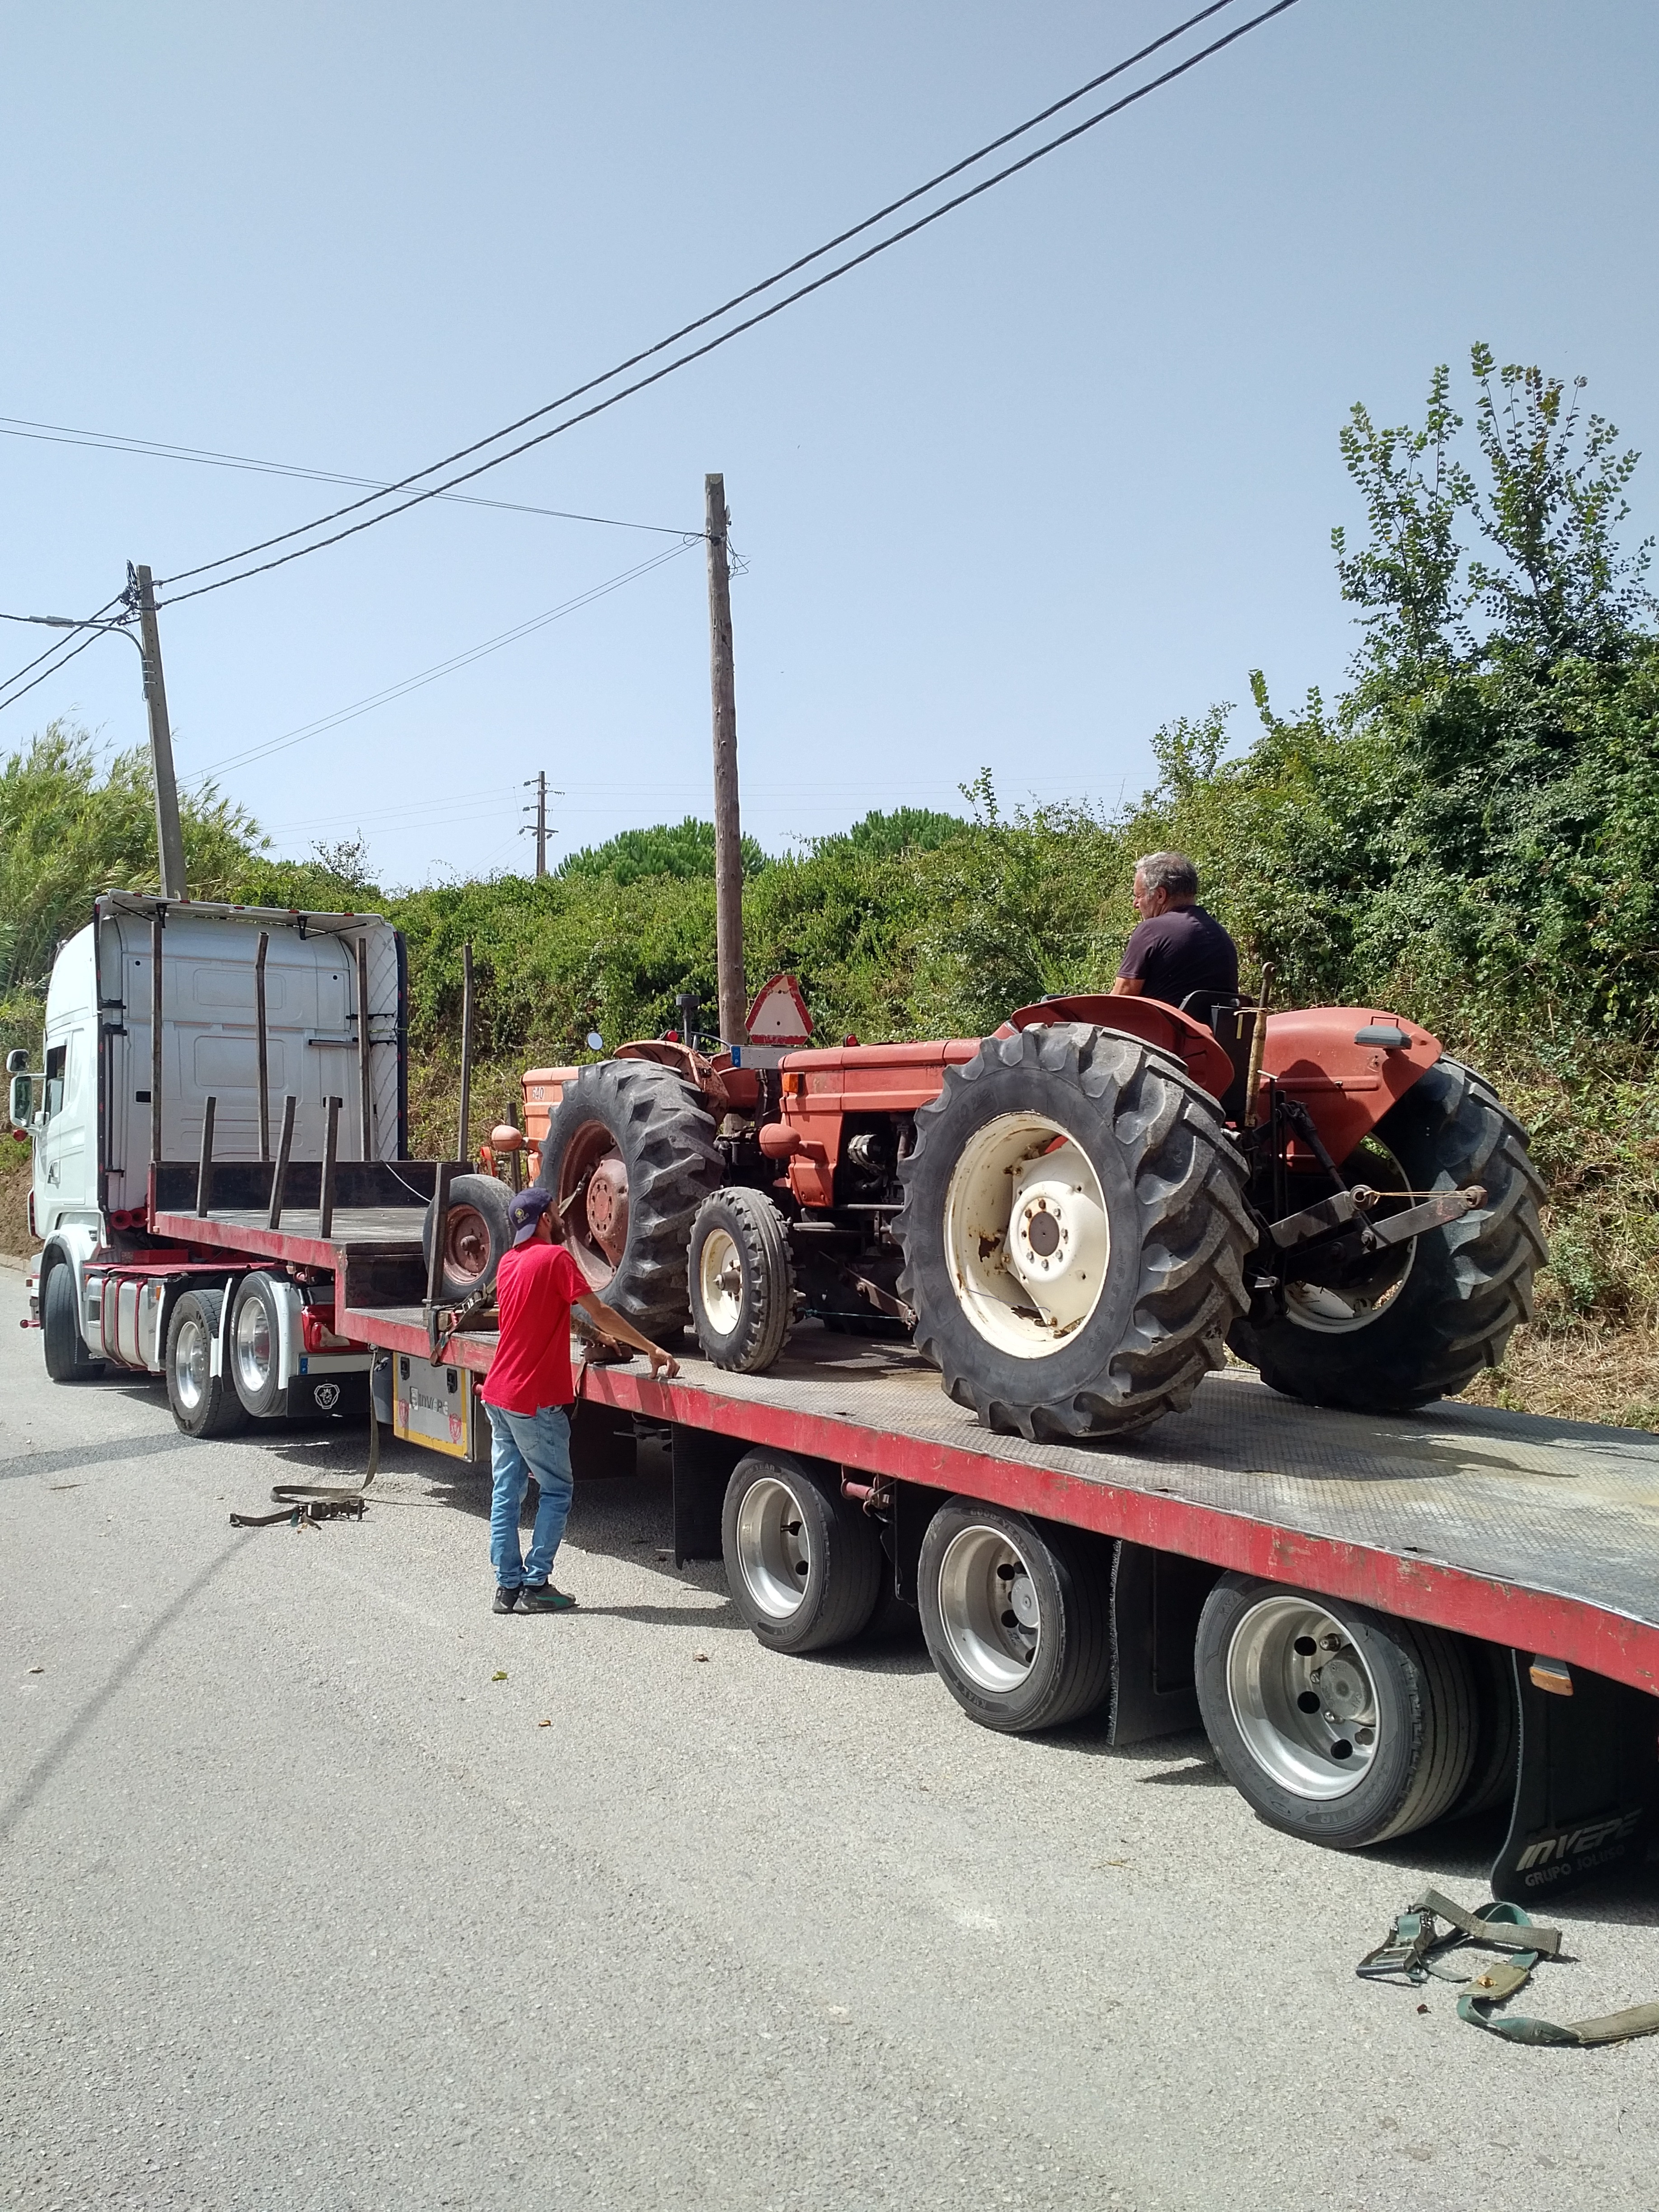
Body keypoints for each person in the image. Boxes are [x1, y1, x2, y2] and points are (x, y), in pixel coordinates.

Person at [480, 1185, 680, 1616]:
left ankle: (507, 1587)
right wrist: (651, 1347)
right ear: (546, 1219)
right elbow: (599, 1308)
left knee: (507, 1492)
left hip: (498, 1393)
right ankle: (536, 1584)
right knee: (556, 1490)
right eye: (556, 1211)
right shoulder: (556, 1259)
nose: (560, 1218)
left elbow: (550, 1312)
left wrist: (596, 1336)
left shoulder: (509, 1262)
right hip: (533, 1400)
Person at [1110, 851, 1238, 1011]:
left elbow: (1119, 1000)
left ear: (1160, 895)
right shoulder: (1220, 934)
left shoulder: (1151, 931)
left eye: (1139, 896)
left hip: (1164, 1027)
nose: (1135, 904)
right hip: (1216, 1028)